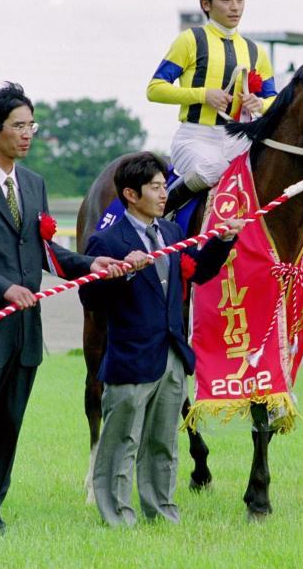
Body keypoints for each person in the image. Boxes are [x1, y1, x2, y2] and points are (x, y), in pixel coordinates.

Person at [0, 82, 124, 534]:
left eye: (31, 125)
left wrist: (88, 263)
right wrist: (4, 289)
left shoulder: (33, 184)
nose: (27, 134)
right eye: (18, 126)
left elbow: (43, 251)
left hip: (24, 335)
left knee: (7, 428)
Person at [79, 152, 242, 527]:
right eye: (155, 188)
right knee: (122, 442)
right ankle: (117, 514)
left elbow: (197, 272)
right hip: (131, 358)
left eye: (164, 186)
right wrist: (124, 274)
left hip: (171, 356)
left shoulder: (170, 233)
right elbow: (91, 300)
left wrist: (222, 241)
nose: (164, 194)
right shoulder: (106, 241)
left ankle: (162, 510)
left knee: (163, 444)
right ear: (131, 195)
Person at [147, 0, 277, 213]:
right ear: (206, 4)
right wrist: (203, 94)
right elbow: (155, 89)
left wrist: (260, 105)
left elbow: (273, 98)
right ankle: (160, 215)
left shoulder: (255, 51)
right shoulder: (190, 40)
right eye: (226, 0)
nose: (235, 7)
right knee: (213, 169)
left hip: (239, 138)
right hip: (195, 137)